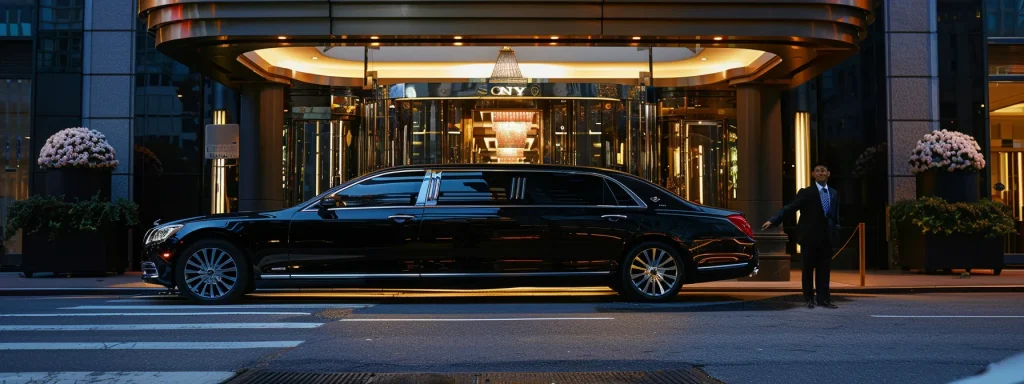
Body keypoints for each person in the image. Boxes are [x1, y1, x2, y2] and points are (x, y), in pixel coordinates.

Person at [761, 162, 840, 309]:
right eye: (817, 171)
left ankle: (824, 299)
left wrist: (836, 233)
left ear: (828, 174)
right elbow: (790, 208)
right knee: (808, 269)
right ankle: (808, 298)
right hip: (809, 237)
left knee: (824, 270)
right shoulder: (806, 192)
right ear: (812, 174)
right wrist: (774, 219)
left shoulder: (834, 193)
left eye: (823, 171)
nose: (820, 173)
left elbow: (835, 217)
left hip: (826, 239)